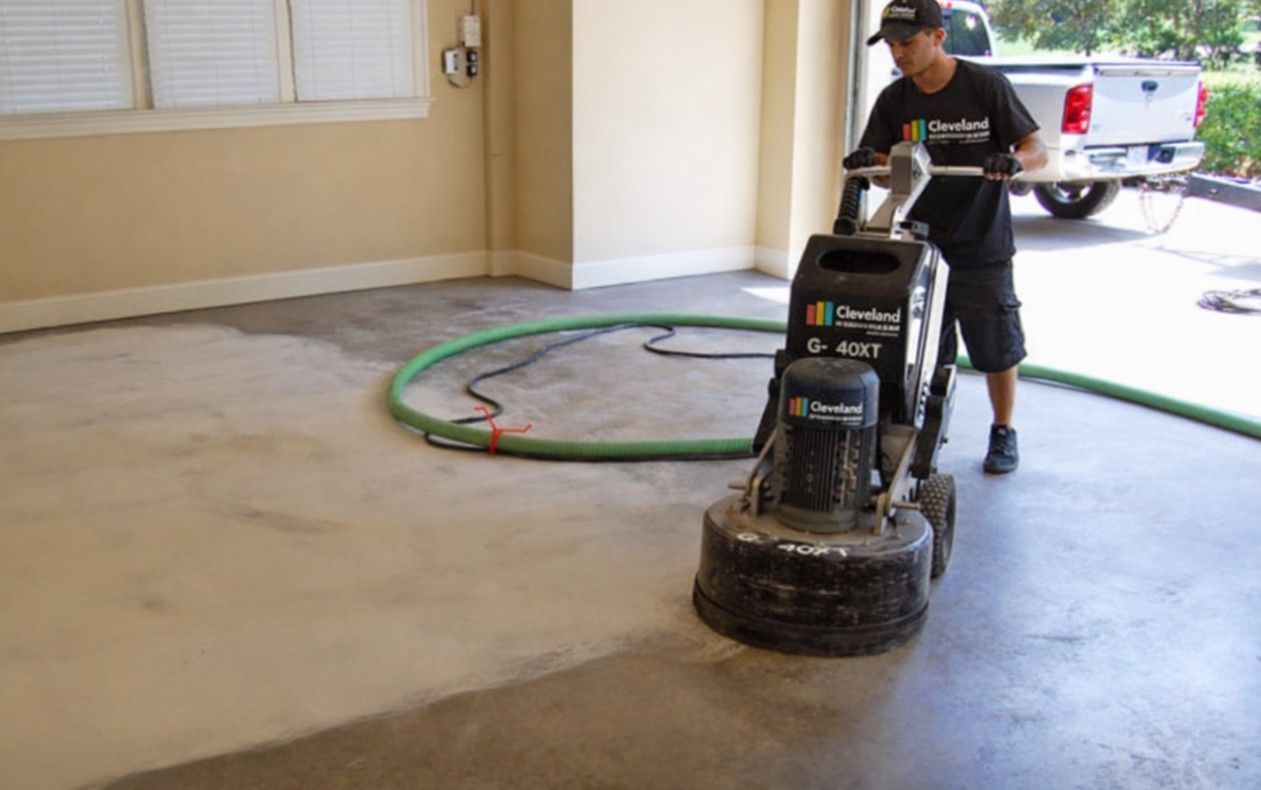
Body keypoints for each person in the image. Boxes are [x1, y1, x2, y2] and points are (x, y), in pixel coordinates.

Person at [847, 0, 1047, 474]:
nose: (899, 54)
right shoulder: (895, 100)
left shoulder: (984, 88)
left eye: (907, 43)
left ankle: (1003, 431)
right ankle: (915, 434)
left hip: (981, 245)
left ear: (938, 38)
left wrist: (1014, 162)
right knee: (917, 350)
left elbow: (1035, 146)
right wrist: (868, 165)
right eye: (892, 45)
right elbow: (881, 170)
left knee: (996, 347)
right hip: (920, 247)